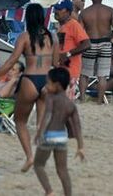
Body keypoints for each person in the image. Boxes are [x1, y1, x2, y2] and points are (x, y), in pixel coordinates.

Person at [0, 3, 59, 170]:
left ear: (28, 17)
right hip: (47, 79)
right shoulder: (53, 37)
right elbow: (56, 64)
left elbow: (11, 62)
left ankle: (30, 157)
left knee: (20, 120)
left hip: (30, 79)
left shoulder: (24, 36)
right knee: (41, 124)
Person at [30, 67, 85, 196]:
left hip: (48, 136)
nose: (46, 85)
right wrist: (80, 146)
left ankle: (49, 191)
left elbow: (47, 116)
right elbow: (77, 126)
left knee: (38, 165)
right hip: (61, 138)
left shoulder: (51, 98)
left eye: (48, 82)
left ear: (57, 85)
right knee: (62, 170)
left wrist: (39, 133)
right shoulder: (70, 104)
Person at [77, 0, 113, 104]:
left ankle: (82, 99)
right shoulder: (109, 11)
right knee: (102, 75)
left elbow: (79, 32)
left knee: (84, 74)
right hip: (105, 43)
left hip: (90, 43)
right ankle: (99, 101)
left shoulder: (84, 13)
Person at [53, 0, 90, 97]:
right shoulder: (62, 27)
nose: (55, 11)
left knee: (64, 103)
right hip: (61, 70)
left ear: (68, 12)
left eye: (59, 9)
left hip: (70, 71)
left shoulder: (74, 24)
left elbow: (87, 44)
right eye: (55, 8)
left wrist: (68, 54)